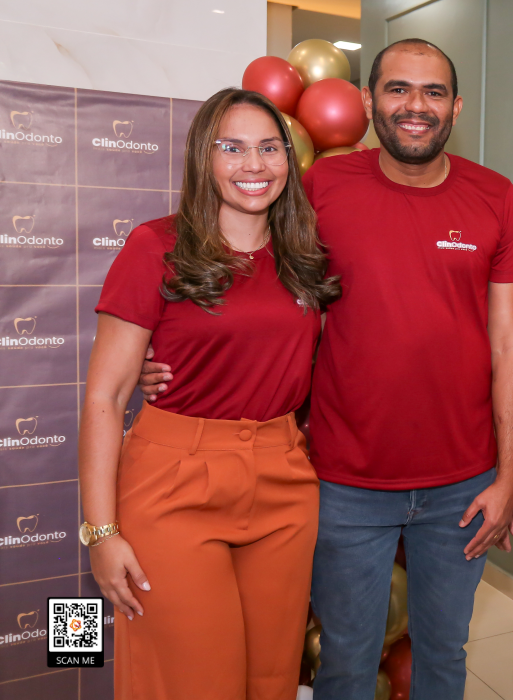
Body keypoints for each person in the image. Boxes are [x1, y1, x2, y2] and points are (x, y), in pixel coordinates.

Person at [139, 39, 513, 700]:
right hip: (344, 480)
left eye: (433, 92)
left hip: (462, 485)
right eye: (398, 89)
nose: (415, 105)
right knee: (346, 658)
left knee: (444, 653)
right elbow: (254, 281)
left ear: (456, 107)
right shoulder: (321, 187)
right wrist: (168, 349)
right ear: (370, 102)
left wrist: (509, 475)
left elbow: (510, 343)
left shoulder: (495, 197)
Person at [79, 88, 340, 700]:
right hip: (173, 484)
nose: (254, 164)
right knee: (194, 683)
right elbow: (105, 397)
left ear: (288, 159)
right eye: (233, 147)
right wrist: (101, 532)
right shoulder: (155, 246)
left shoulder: (303, 256)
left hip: (282, 482)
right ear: (204, 157)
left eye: (269, 148)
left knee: (271, 680)